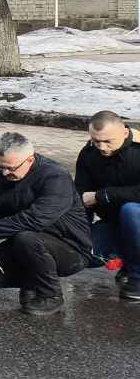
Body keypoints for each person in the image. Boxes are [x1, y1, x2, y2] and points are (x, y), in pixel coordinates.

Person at [0, 131, 95, 315]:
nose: (4, 173)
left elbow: (36, 218)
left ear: (29, 160)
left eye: (10, 168)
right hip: (24, 244)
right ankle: (33, 282)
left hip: (70, 249)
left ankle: (50, 295)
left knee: (26, 238)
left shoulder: (55, 177)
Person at [75, 110, 140, 303]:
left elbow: (94, 197)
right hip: (114, 224)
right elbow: (81, 197)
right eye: (96, 141)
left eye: (108, 141)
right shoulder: (89, 154)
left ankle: (137, 276)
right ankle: (128, 261)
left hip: (136, 218)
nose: (102, 147)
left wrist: (103, 195)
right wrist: (79, 234)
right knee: (82, 254)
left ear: (125, 133)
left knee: (130, 211)